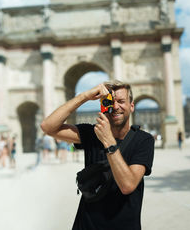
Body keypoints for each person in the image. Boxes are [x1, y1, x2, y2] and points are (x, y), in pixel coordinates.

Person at [41, 80, 155, 230]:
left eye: (121, 101)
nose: (115, 107)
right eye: (110, 102)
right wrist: (84, 96)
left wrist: (108, 141)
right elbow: (47, 127)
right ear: (103, 105)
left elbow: (128, 185)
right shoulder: (92, 133)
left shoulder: (144, 140)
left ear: (132, 106)